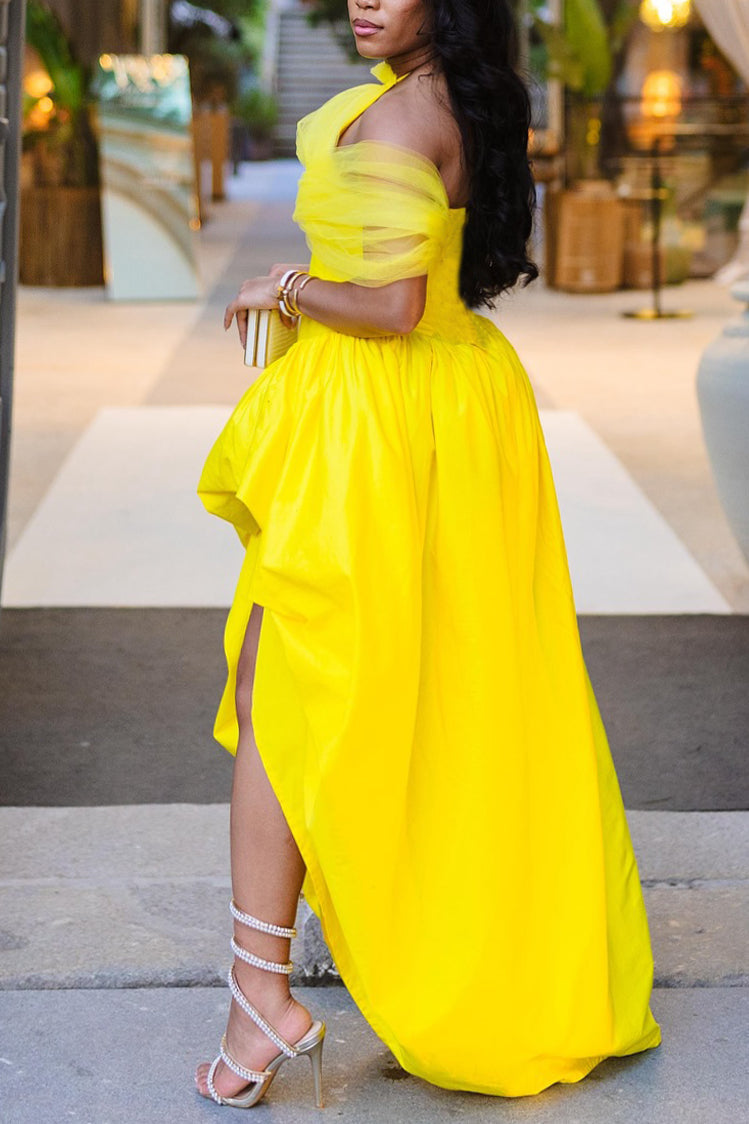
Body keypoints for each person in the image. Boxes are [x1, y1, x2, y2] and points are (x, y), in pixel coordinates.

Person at [194, 0, 661, 1108]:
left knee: (289, 688)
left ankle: (261, 998)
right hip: (447, 408)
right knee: (443, 693)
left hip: (383, 424)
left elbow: (395, 308)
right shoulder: (453, 98)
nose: (364, 0)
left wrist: (283, 286)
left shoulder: (407, 117)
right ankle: (382, 964)